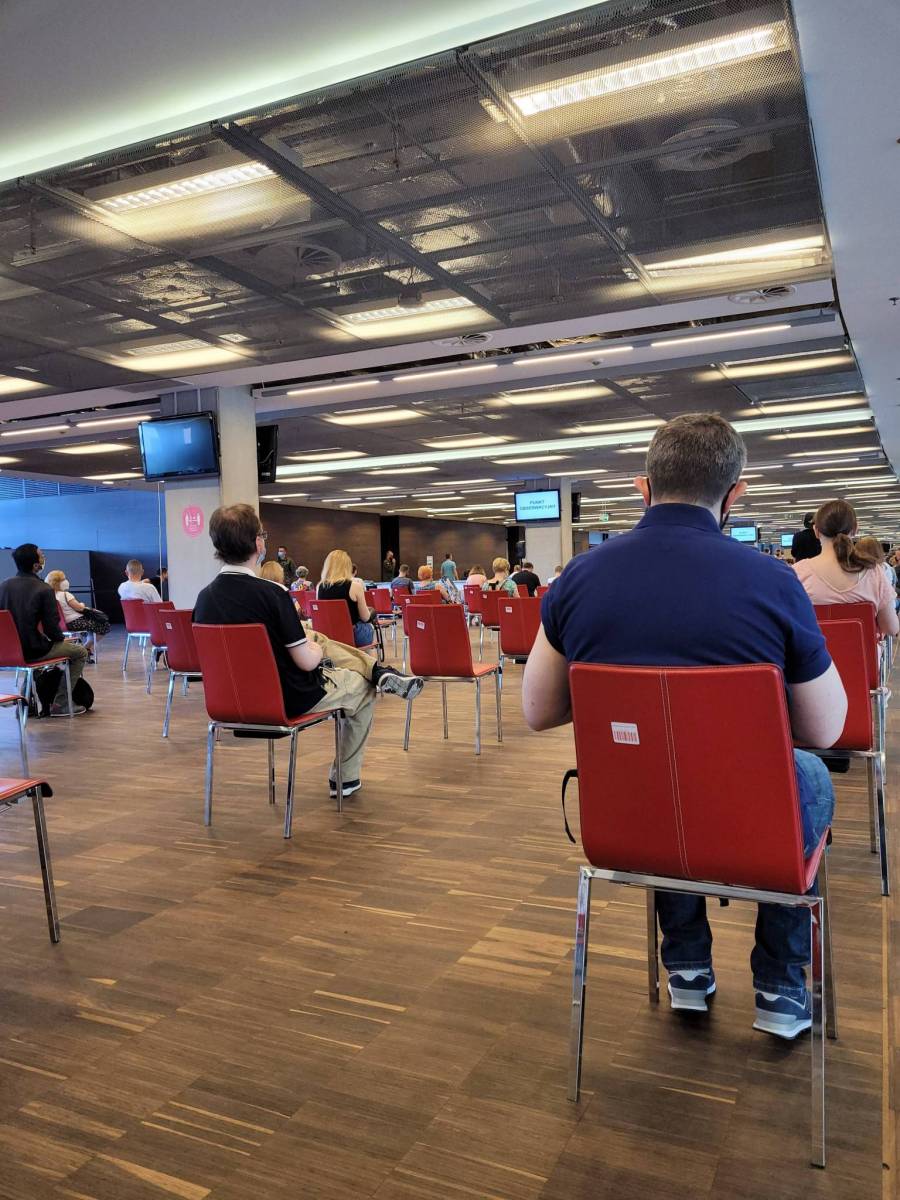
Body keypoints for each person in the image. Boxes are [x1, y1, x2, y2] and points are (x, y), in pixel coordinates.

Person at [523, 413, 847, 1041]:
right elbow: (826, 727)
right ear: (735, 495)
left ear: (642, 488)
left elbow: (538, 710)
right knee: (806, 770)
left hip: (626, 821)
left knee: (654, 771)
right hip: (747, 822)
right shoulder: (773, 580)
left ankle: (687, 966)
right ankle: (781, 985)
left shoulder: (576, 579)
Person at [193, 505, 423, 800]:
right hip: (288, 698)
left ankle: (377, 670)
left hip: (227, 703)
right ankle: (346, 776)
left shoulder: (203, 599)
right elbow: (305, 662)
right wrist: (313, 649)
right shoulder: (273, 594)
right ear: (258, 543)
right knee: (361, 685)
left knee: (311, 634)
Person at [0, 544, 89, 716]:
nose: (43, 559)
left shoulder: (3, 586)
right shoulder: (44, 589)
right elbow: (52, 629)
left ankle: (27, 706)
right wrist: (59, 640)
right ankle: (61, 703)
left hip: (7, 652)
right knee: (80, 652)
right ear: (36, 565)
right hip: (34, 650)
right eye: (42, 556)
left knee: (31, 661)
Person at [794, 502, 899, 638]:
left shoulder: (797, 573)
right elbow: (891, 628)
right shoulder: (873, 572)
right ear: (855, 529)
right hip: (862, 652)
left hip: (813, 651)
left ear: (816, 531)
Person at [45, 569, 110, 661]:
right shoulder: (65, 594)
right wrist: (82, 604)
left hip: (61, 625)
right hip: (75, 622)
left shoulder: (49, 596)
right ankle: (84, 648)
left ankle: (85, 649)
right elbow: (79, 608)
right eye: (63, 579)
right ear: (57, 582)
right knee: (104, 625)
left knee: (91, 626)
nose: (66, 581)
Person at [317, 549, 375, 647]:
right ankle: (366, 656)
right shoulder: (355, 586)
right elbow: (365, 618)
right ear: (347, 566)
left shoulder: (319, 587)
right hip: (352, 635)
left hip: (328, 636)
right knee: (370, 625)